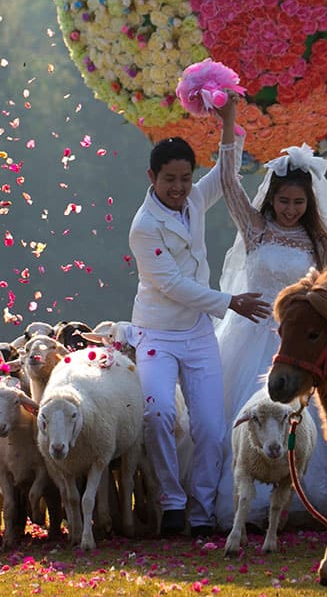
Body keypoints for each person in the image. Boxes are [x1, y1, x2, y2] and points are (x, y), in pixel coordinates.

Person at [128, 96, 271, 538]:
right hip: (156, 332)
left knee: (212, 425)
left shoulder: (193, 201)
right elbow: (172, 285)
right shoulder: (144, 226)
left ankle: (202, 509)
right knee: (157, 414)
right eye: (169, 179)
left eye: (186, 179)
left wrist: (228, 121)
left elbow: (225, 174)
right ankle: (171, 501)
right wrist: (230, 302)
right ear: (152, 177)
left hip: (197, 334)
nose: (179, 188)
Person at [213, 141, 327, 533]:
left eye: (298, 203)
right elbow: (227, 182)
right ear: (272, 197)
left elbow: (326, 294)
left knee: (302, 420)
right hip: (248, 335)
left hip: (296, 343)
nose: (290, 210)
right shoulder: (255, 228)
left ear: (310, 202)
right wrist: (228, 127)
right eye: (284, 201)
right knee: (241, 419)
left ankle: (302, 499)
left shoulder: (318, 242)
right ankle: (241, 503)